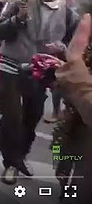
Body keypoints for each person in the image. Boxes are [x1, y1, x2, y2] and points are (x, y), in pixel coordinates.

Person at [0, 0, 78, 184]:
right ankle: (11, 163)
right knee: (12, 117)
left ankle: (20, 156)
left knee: (32, 116)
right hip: (11, 64)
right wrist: (18, 19)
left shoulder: (67, 12)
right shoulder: (21, 2)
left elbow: (76, 43)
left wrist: (62, 47)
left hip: (39, 70)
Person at [56, 13, 92, 204]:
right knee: (64, 153)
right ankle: (64, 185)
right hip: (73, 114)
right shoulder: (81, 21)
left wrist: (73, 67)